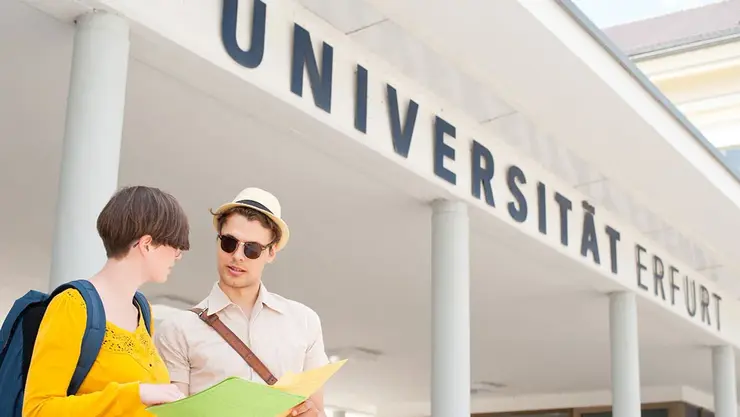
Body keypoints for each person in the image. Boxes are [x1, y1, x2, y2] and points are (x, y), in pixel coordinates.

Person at [155, 187, 330, 417]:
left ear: (271, 253)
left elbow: (317, 410)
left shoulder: (304, 322)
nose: (237, 255)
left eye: (252, 249)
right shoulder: (177, 330)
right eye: (229, 242)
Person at [22, 185, 191, 417]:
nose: (178, 256)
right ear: (147, 244)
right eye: (176, 247)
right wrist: (135, 394)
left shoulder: (143, 310)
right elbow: (37, 410)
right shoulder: (73, 305)